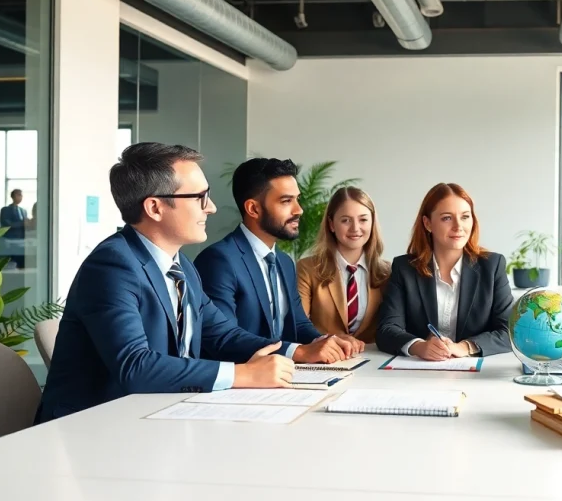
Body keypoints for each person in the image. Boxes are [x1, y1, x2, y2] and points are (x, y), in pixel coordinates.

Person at [36, 143, 293, 423]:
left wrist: (296, 353)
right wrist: (242, 374)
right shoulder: (112, 266)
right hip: (90, 429)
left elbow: (223, 336)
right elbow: (135, 367)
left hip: (160, 417)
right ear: (155, 207)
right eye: (199, 197)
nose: (212, 208)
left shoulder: (182, 267)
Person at [194, 158, 362, 364]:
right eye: (286, 201)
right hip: (240, 381)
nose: (299, 210)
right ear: (253, 209)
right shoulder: (219, 260)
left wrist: (326, 340)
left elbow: (298, 324)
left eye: (297, 199)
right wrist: (298, 352)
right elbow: (225, 339)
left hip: (281, 376)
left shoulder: (283, 261)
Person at [376, 183, 513, 360]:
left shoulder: (492, 266)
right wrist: (419, 346)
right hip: (417, 373)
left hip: (476, 374)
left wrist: (465, 347)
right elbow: (386, 330)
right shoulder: (405, 268)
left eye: (465, 217)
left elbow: (508, 332)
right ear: (427, 223)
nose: (458, 226)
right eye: (447, 218)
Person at [296, 187, 391, 344]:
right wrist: (331, 339)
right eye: (345, 220)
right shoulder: (307, 269)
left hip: (373, 361)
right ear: (331, 224)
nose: (355, 228)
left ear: (372, 223)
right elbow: (298, 326)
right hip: (325, 360)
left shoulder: (388, 272)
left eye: (363, 219)